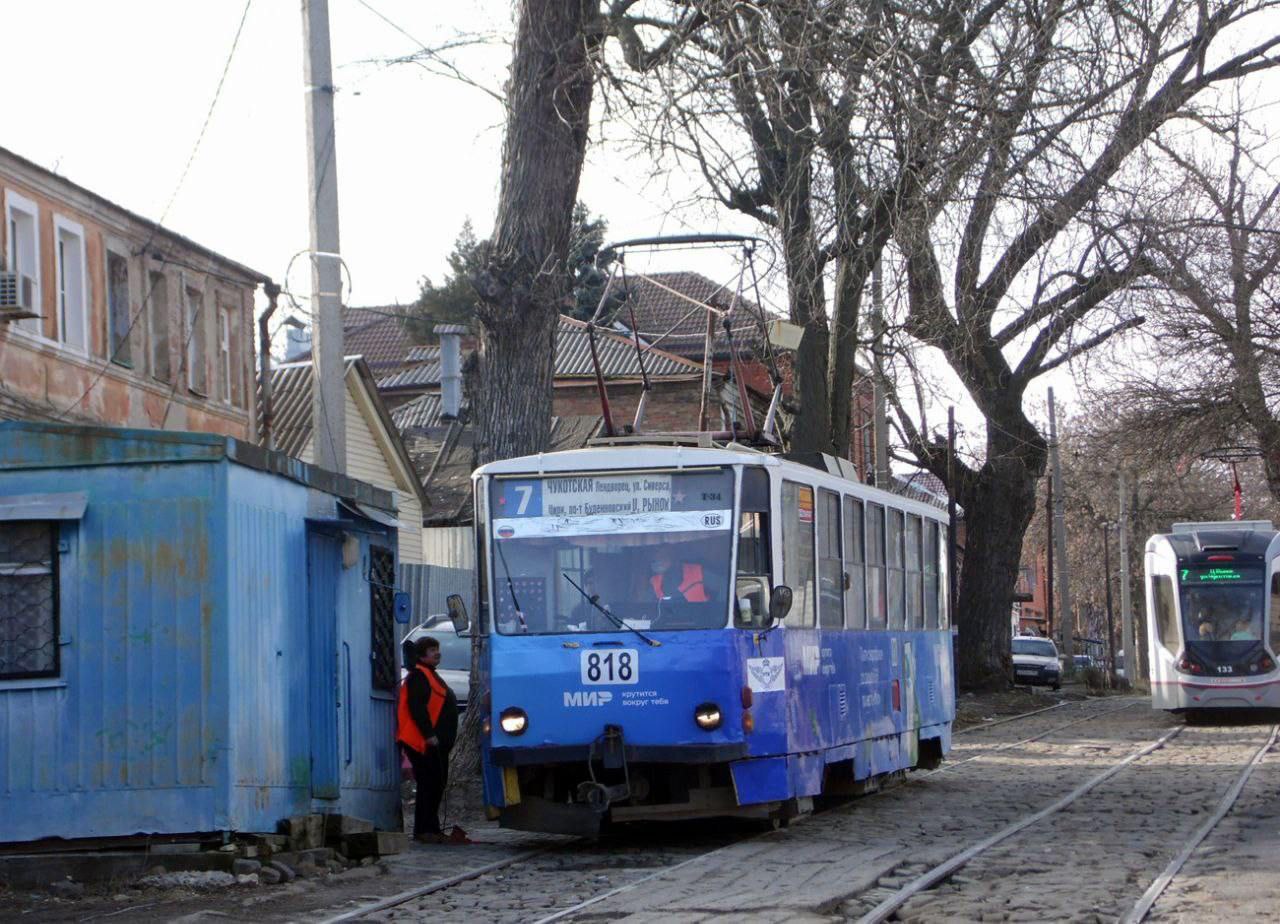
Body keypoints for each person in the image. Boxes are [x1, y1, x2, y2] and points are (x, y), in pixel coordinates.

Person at [396, 636, 458, 844]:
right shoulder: (419, 677)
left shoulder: (428, 674)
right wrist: (429, 735)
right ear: (422, 654)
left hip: (433, 743)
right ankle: (424, 830)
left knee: (435, 784)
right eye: (432, 649)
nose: (437, 652)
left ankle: (431, 828)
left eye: (437, 648)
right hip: (422, 742)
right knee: (429, 784)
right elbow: (417, 708)